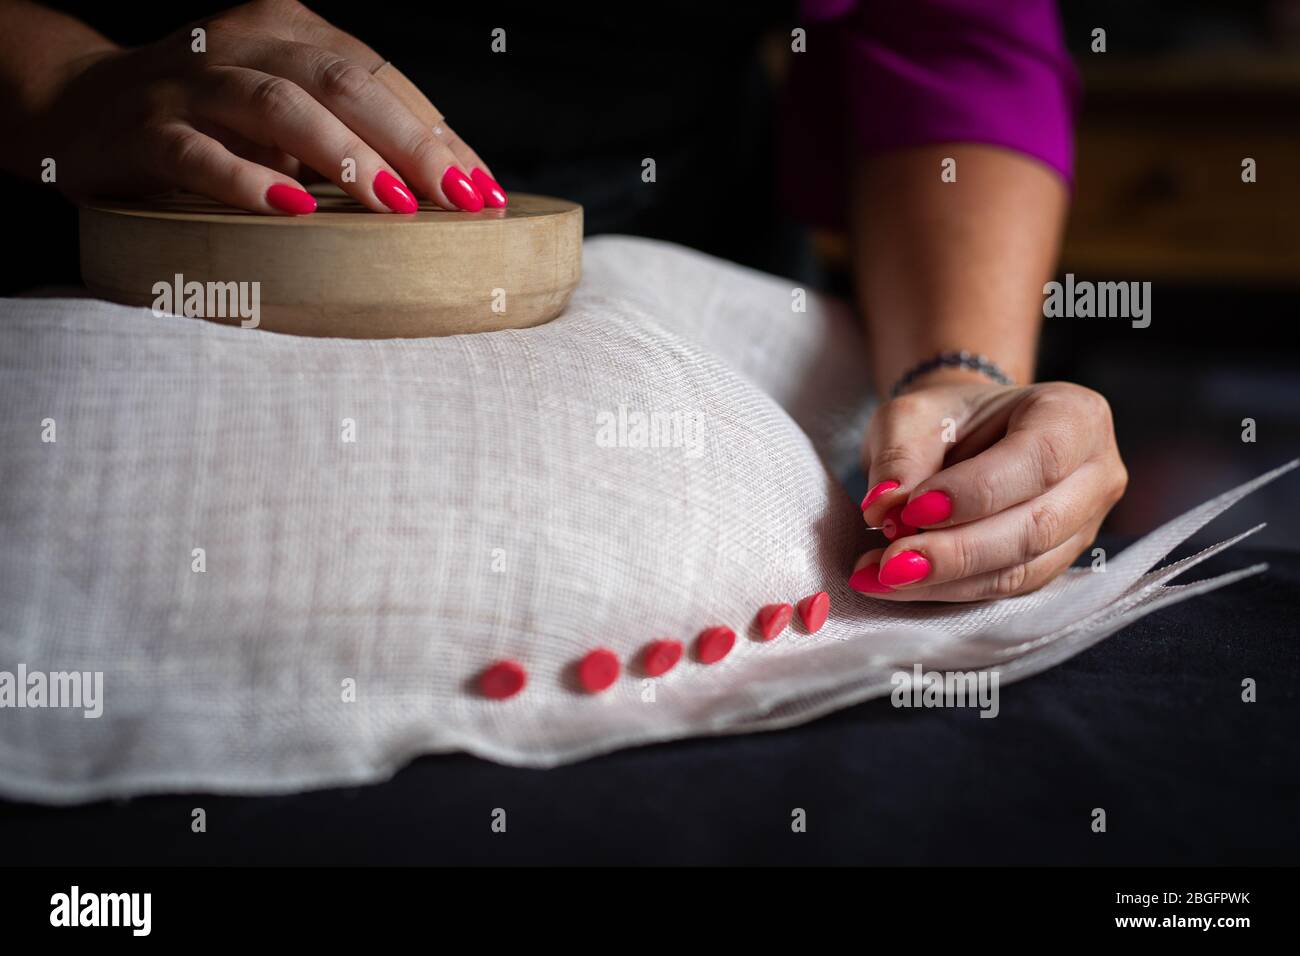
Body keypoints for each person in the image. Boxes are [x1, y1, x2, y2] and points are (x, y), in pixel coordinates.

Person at [0, 0, 1127, 601]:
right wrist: (55, 81)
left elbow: (945, 31)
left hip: (679, 254)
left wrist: (958, 375)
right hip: (113, 223)